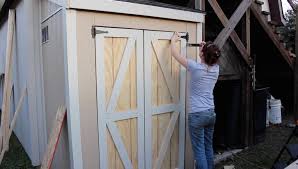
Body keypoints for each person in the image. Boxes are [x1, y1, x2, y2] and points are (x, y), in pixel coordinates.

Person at [170, 32, 221, 169]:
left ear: (203, 55)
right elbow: (206, 65)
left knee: (199, 151)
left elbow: (175, 54)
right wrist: (203, 51)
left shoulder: (195, 67)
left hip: (197, 115)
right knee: (208, 147)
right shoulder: (215, 69)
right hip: (210, 113)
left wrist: (174, 40)